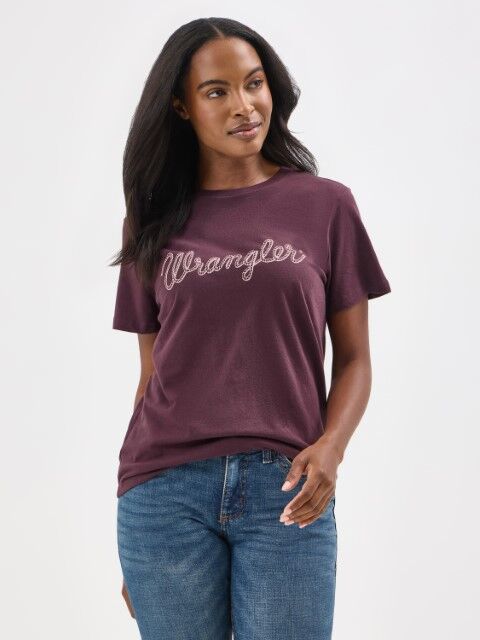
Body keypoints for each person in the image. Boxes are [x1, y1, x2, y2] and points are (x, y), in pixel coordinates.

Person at [110, 16, 391, 640]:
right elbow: (152, 376)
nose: (244, 105)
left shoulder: (326, 205)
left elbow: (355, 358)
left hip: (287, 487)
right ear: (181, 107)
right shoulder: (151, 223)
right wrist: (138, 537)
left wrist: (332, 449)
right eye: (217, 91)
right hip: (163, 497)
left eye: (254, 83)